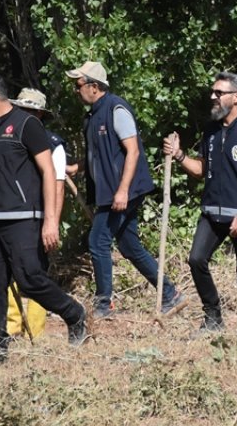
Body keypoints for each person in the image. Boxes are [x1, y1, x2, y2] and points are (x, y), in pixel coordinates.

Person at [0, 75, 89, 364]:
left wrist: (50, 220)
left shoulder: (28, 125)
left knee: (30, 280)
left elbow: (49, 173)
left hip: (25, 218)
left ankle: (74, 314)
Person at [66, 61, 185, 318]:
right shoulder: (91, 117)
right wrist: (77, 168)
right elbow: (101, 156)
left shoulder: (115, 109)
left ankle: (103, 304)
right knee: (129, 246)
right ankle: (170, 294)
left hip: (124, 191)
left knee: (98, 241)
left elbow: (132, 151)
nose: (76, 91)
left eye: (78, 85)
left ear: (94, 86)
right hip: (110, 192)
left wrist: (122, 191)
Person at [162, 72, 237, 333]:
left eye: (219, 93)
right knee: (196, 260)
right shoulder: (210, 130)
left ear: (236, 97)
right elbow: (200, 170)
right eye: (213, 92)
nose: (213, 97)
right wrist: (178, 155)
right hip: (211, 213)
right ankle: (213, 317)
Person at [3, 87, 69, 340]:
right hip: (14, 215)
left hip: (40, 217)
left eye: (29, 110)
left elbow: (58, 187)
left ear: (39, 114)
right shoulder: (8, 138)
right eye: (21, 109)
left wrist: (52, 223)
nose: (23, 115)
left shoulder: (54, 145)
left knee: (36, 273)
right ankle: (12, 327)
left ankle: (36, 331)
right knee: (12, 272)